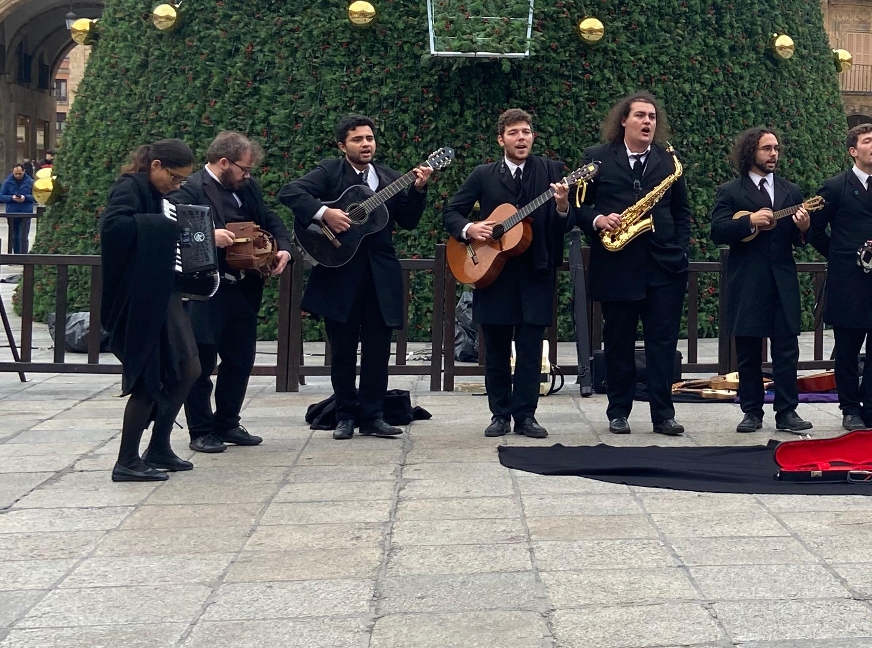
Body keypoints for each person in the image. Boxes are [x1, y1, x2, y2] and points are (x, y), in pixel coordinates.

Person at [280, 115, 433, 439]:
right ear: (342, 145)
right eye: (357, 139)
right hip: (340, 269)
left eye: (369, 138)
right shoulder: (330, 172)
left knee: (378, 348)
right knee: (343, 348)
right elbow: (290, 192)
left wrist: (419, 190)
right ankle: (345, 415)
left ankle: (373, 415)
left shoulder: (390, 178)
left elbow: (408, 221)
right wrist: (326, 213)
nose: (366, 144)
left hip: (380, 273)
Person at [443, 108, 574, 439]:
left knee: (530, 351)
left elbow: (567, 224)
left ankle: (526, 415)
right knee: (497, 350)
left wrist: (561, 207)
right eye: (514, 132)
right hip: (492, 271)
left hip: (535, 271)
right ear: (501, 139)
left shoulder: (552, 172)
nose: (521, 138)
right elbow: (452, 212)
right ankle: (499, 414)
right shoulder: (483, 175)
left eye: (527, 132)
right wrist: (471, 228)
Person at [576, 92, 692, 436]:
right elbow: (579, 208)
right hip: (617, 264)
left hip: (664, 266)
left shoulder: (669, 161)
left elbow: (682, 212)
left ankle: (663, 415)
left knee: (663, 342)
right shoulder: (596, 159)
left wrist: (680, 249)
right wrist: (597, 220)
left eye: (652, 117)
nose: (647, 122)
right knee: (618, 341)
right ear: (623, 120)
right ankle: (618, 411)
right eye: (640, 115)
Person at [175, 132, 292, 454]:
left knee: (240, 359)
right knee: (201, 361)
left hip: (244, 285)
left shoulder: (246, 188)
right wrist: (208, 235)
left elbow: (269, 217)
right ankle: (201, 430)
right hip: (206, 289)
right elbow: (175, 230)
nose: (248, 175)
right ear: (223, 162)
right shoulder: (189, 188)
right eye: (243, 169)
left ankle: (228, 421)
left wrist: (283, 248)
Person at [101, 140, 203, 481]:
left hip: (163, 292)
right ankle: (127, 460)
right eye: (174, 178)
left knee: (187, 368)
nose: (176, 186)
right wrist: (168, 227)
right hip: (141, 297)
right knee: (150, 373)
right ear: (155, 165)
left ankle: (158, 446)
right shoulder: (129, 187)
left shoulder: (157, 195)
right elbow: (114, 229)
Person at [709, 127, 814, 435]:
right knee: (749, 349)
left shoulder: (790, 191)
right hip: (748, 278)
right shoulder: (731, 191)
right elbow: (717, 230)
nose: (773, 154)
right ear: (750, 153)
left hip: (782, 277)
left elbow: (799, 239)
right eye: (767, 149)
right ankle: (752, 411)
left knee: (786, 348)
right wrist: (748, 221)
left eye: (776, 149)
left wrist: (805, 227)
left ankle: (787, 411)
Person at [810, 124, 872, 431]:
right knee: (847, 350)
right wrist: (840, 256)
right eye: (868, 141)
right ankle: (850, 408)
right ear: (853, 151)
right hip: (849, 282)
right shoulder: (835, 186)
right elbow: (815, 230)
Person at [0, 163, 33, 255]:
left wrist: (25, 198)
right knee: (14, 236)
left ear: (24, 171)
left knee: (23, 236)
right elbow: (1, 196)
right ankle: (16, 255)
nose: (18, 175)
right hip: (12, 212)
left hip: (26, 212)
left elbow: (35, 196)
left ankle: (23, 255)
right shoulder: (7, 182)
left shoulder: (30, 182)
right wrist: (11, 198)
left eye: (19, 173)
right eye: (16, 174)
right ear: (13, 172)